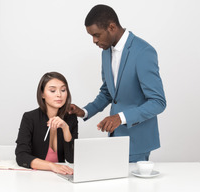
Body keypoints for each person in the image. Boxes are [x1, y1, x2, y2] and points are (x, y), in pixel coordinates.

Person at [69, 4, 166, 162]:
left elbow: (158, 102)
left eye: (97, 35)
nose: (94, 40)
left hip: (138, 141)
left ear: (112, 27)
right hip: (115, 139)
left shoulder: (143, 52)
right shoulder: (106, 52)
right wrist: (85, 112)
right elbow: (108, 92)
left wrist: (120, 118)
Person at [16, 72, 78, 174]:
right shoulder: (30, 118)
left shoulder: (71, 118)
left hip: (61, 176)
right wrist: (52, 166)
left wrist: (65, 128)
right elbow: (21, 156)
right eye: (53, 90)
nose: (59, 94)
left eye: (63, 90)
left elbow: (72, 158)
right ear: (42, 94)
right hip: (35, 175)